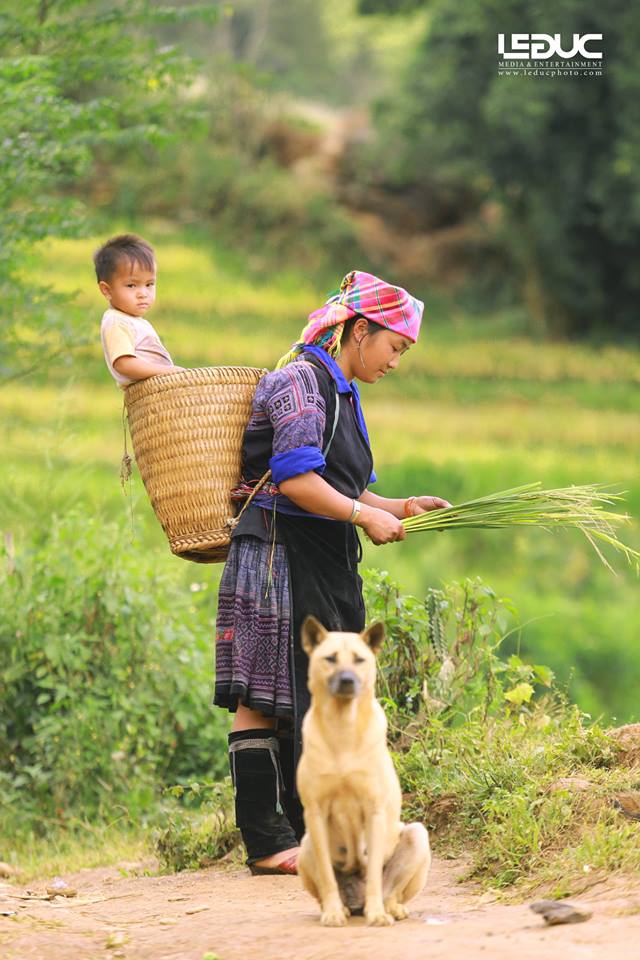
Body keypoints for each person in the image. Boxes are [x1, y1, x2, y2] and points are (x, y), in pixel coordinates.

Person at [214, 270, 451, 876]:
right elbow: (296, 481)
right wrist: (362, 517)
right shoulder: (300, 382)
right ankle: (267, 842)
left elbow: (344, 487)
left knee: (309, 692)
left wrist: (398, 509)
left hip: (322, 552)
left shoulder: (343, 392)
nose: (396, 361)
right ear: (362, 331)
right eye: (395, 347)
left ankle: (307, 834)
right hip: (276, 550)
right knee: (265, 694)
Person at [95, 233, 183, 387]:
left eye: (149, 284)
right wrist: (169, 372)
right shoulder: (117, 322)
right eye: (131, 285)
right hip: (150, 397)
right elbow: (123, 364)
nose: (143, 293)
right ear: (107, 290)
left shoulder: (131, 321)